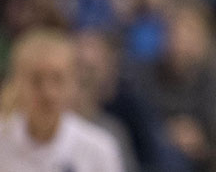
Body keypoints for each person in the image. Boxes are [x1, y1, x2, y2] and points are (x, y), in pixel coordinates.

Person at [0, 28, 124, 172]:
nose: (48, 93)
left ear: (73, 84)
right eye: (36, 80)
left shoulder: (99, 149)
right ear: (17, 84)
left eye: (58, 79)